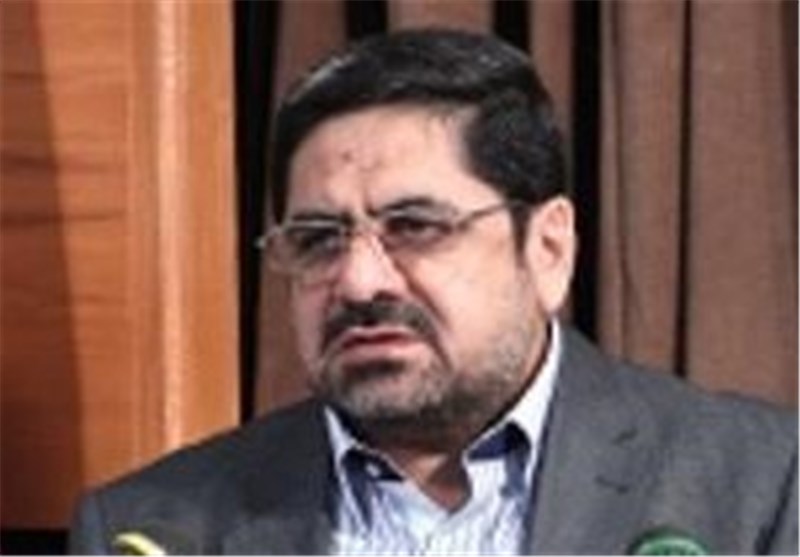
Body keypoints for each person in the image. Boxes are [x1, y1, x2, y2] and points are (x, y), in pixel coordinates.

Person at [70, 29, 796, 555]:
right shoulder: (154, 526)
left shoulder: (760, 485)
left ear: (547, 248)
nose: (360, 281)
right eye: (319, 238)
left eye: (416, 227)